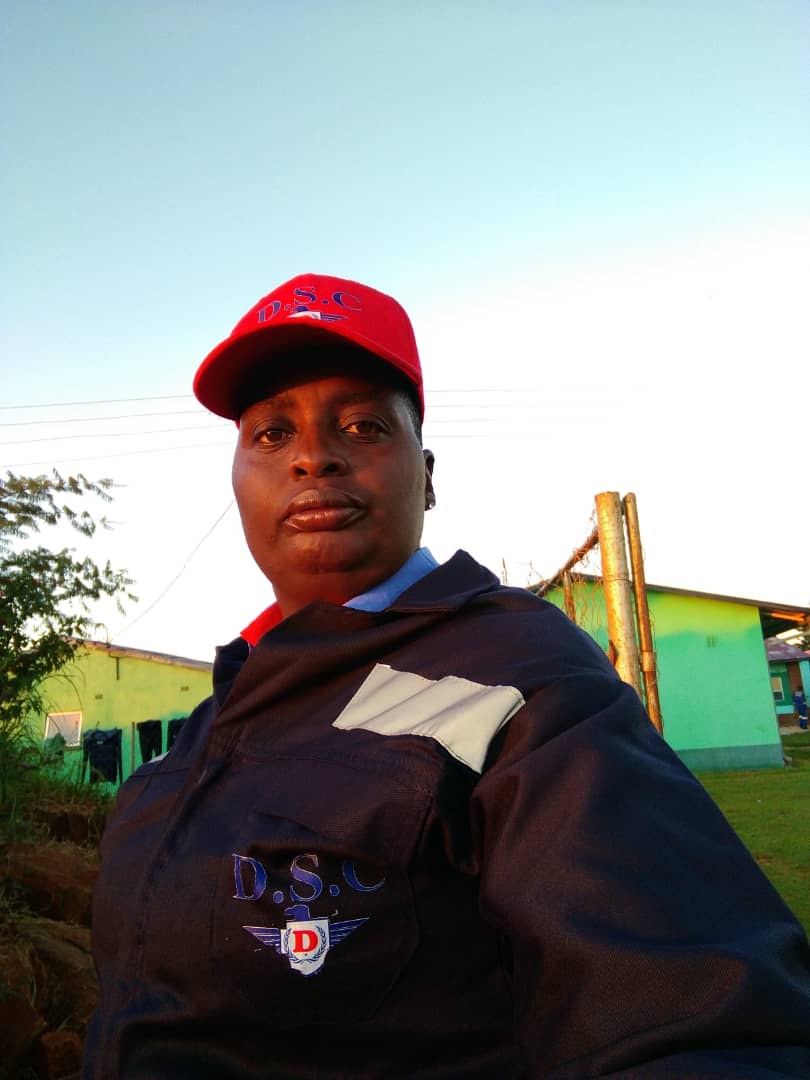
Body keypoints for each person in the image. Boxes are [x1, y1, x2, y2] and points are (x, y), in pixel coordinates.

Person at [83, 274, 810, 1079]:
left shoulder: (525, 675)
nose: (313, 457)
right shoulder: (219, 713)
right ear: (235, 479)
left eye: (363, 426)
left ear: (427, 476)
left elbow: (695, 1015)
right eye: (271, 434)